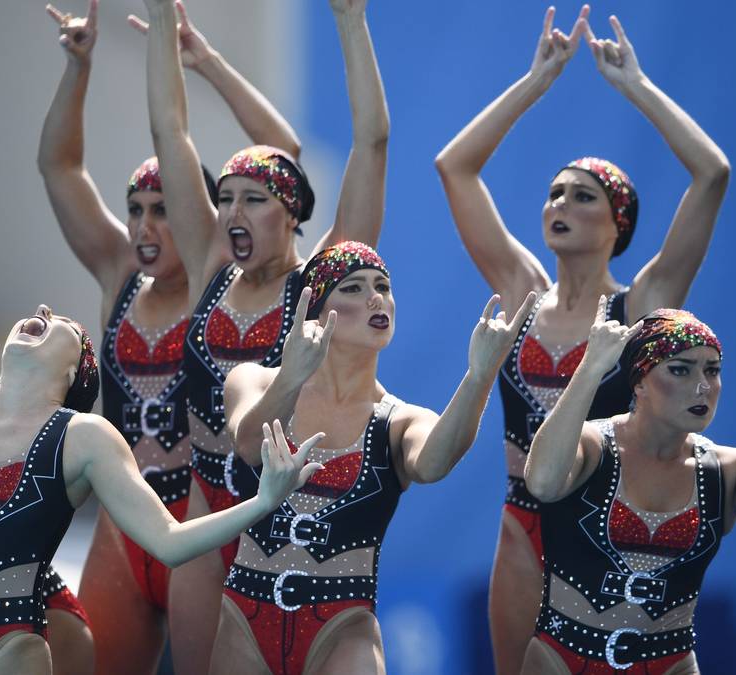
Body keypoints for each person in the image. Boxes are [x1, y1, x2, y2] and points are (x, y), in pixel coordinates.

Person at [433, 8, 730, 672]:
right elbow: (455, 166)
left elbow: (712, 174)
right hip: (522, 526)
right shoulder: (520, 292)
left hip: (600, 533)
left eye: (583, 196)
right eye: (554, 193)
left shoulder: (643, 306)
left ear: (619, 222)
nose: (560, 204)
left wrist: (636, 87)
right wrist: (537, 80)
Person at [0, 304, 325, 675]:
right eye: (40, 312)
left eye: (62, 322)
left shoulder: (83, 436)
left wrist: (265, 500)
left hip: (6, 645)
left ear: (72, 373)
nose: (43, 311)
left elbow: (170, 544)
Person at [38, 1, 300, 670]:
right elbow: (60, 171)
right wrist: (78, 65)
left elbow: (284, 161)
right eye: (135, 211)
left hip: (204, 515)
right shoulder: (117, 274)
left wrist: (205, 62)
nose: (146, 227)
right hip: (125, 526)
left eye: (163, 210)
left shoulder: (223, 286)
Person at [143, 0, 391, 669]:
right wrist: (161, 20)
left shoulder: (321, 286)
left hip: (287, 523)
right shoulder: (211, 270)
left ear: (292, 213)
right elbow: (171, 130)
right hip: (204, 505)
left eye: (252, 198)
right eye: (224, 198)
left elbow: (372, 143)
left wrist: (349, 20)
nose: (229, 212)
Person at [214, 241, 533, 674]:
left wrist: (479, 377)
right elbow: (250, 445)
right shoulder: (251, 380)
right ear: (315, 309)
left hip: (342, 627)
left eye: (383, 286)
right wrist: (292, 375)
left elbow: (434, 463)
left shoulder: (400, 420)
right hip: (244, 619)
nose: (375, 298)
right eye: (353, 288)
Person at [522, 299, 736, 673]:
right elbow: (541, 481)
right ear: (639, 382)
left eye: (713, 371)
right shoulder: (590, 446)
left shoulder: (729, 469)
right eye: (681, 370)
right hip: (560, 661)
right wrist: (590, 369)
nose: (702, 387)